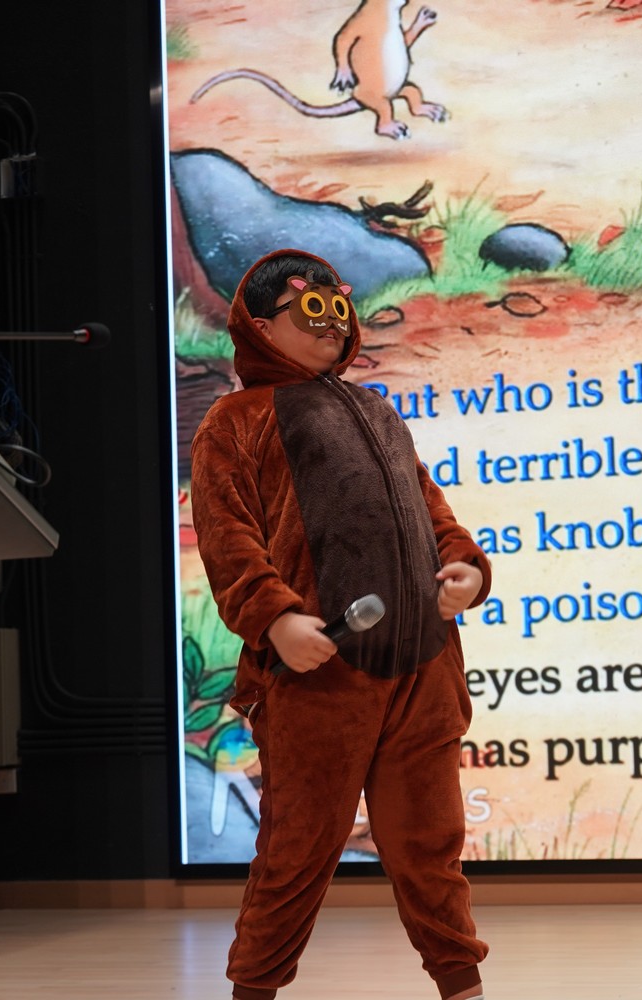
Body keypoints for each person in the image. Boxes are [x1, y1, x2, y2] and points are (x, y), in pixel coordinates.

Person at [190, 248, 490, 1000]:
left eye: (337, 308)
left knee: (430, 846)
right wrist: (275, 618)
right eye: (310, 310)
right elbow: (228, 539)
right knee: (298, 849)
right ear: (261, 327)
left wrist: (465, 565)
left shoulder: (378, 411)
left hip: (422, 663)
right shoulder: (235, 421)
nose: (331, 324)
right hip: (321, 674)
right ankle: (255, 989)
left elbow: (432, 511)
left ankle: (462, 986)